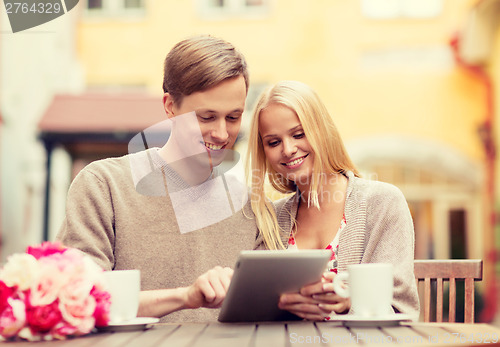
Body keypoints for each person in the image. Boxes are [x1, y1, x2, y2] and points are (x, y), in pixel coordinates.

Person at [56, 35, 258, 323]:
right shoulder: (104, 185)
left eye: (233, 117)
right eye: (206, 117)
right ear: (170, 106)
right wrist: (185, 297)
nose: (222, 133)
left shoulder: (248, 204)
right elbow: (77, 298)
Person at [246, 80, 420, 321]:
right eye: (273, 142)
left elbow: (403, 310)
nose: (287, 149)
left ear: (322, 131)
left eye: (299, 134)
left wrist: (350, 301)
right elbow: (255, 311)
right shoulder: (270, 220)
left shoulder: (383, 203)